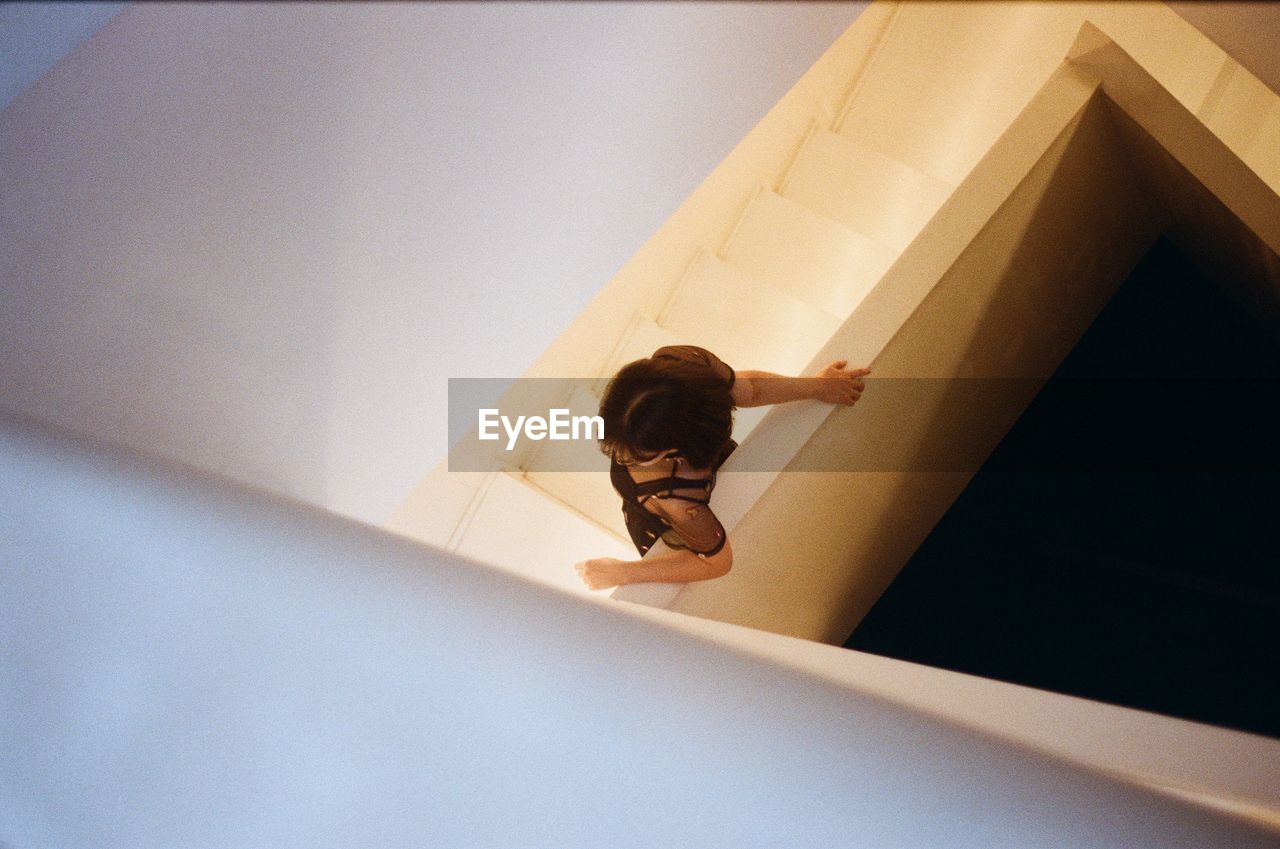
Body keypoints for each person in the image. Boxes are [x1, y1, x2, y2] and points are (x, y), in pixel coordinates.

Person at [574, 345, 870, 590]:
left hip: (672, 489)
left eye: (637, 454)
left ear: (676, 446)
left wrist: (623, 572)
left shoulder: (674, 495)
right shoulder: (683, 366)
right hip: (660, 502)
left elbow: (715, 562)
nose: (619, 456)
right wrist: (817, 387)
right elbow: (750, 390)